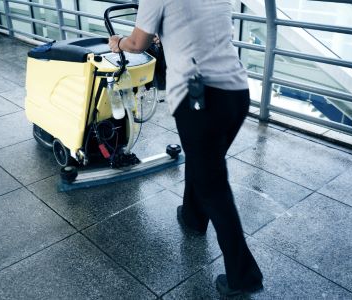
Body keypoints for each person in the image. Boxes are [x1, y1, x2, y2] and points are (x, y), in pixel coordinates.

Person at [108, 0, 263, 297]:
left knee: (213, 184)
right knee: (206, 162)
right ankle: (193, 216)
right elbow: (197, 27)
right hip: (236, 93)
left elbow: (138, 43)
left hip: (200, 99)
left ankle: (244, 276)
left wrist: (118, 42)